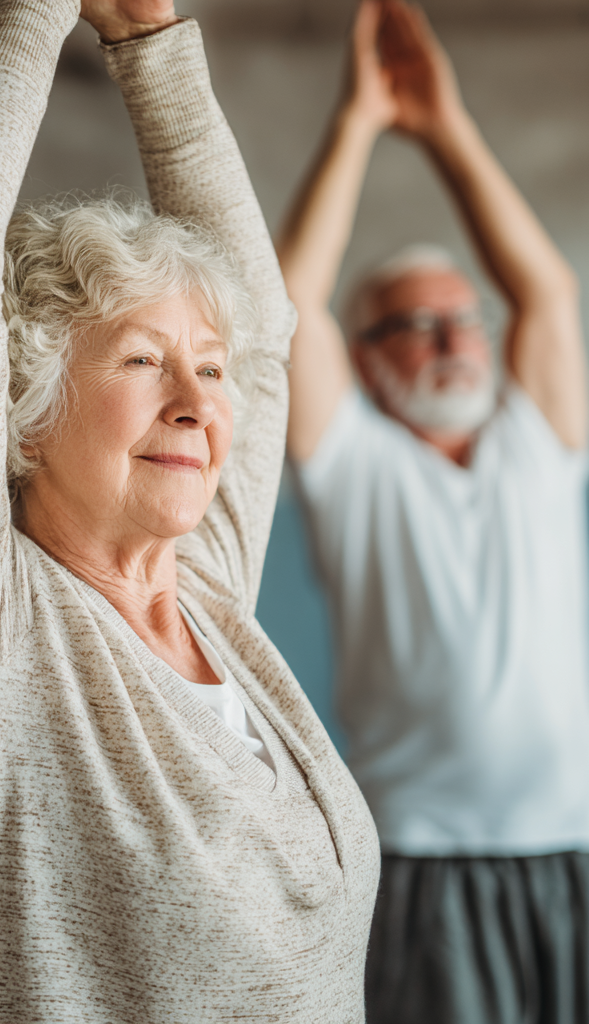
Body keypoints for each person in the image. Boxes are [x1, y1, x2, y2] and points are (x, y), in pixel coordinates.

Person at [0, 0, 381, 1020]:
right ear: (28, 408)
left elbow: (264, 341)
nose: (195, 402)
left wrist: (153, 47)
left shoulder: (207, 590)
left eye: (208, 369)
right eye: (142, 360)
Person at [277, 2, 589, 1021]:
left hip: (573, 850)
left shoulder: (535, 442)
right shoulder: (353, 463)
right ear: (364, 361)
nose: (449, 338)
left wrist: (446, 126)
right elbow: (284, 305)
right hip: (424, 862)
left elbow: (543, 293)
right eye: (412, 324)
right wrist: (361, 123)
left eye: (461, 317)